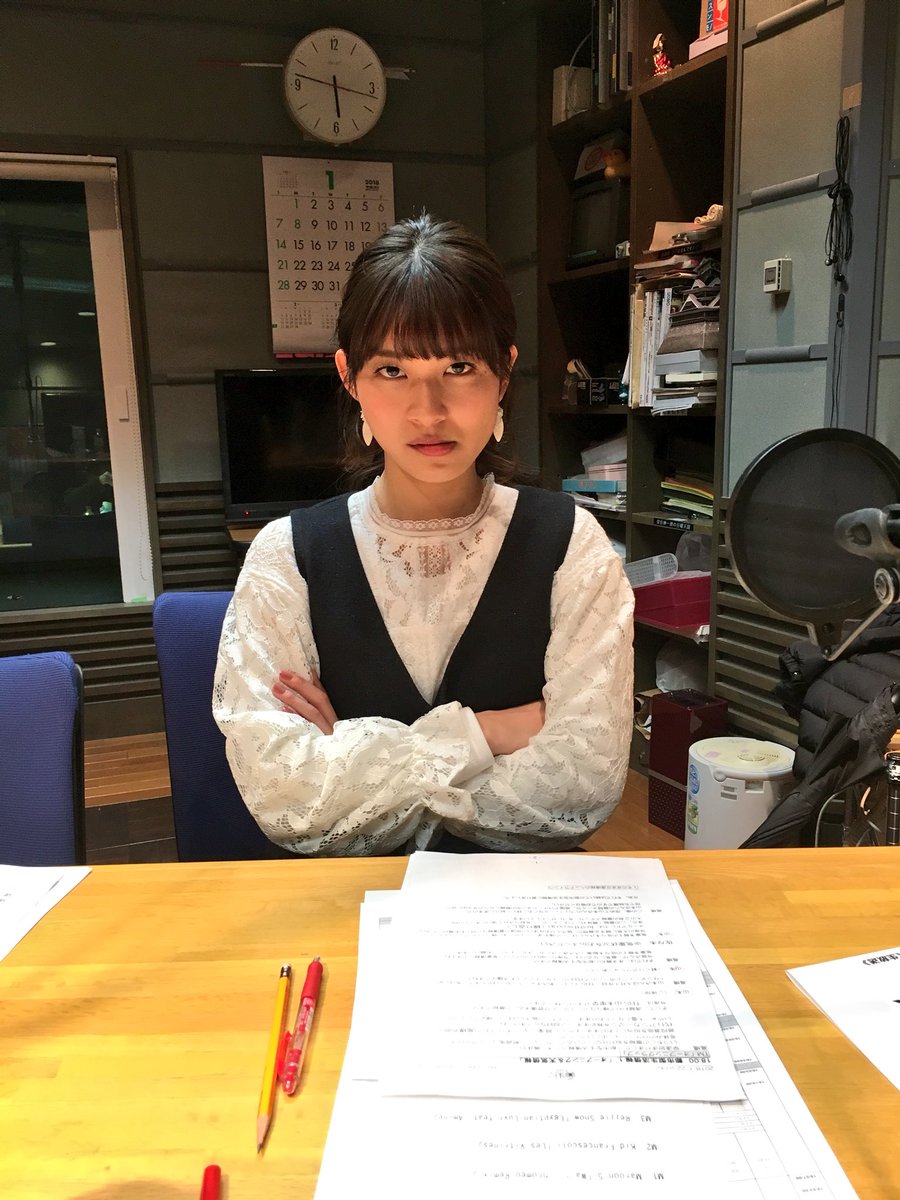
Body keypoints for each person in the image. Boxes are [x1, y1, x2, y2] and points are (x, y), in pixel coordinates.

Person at [213, 213, 634, 856]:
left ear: (504, 372)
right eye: (392, 371)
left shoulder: (569, 544)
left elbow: (582, 785)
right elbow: (284, 794)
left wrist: (351, 759)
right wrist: (486, 735)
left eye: (459, 366)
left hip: (523, 901)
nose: (428, 410)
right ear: (349, 377)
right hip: (349, 898)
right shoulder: (286, 556)